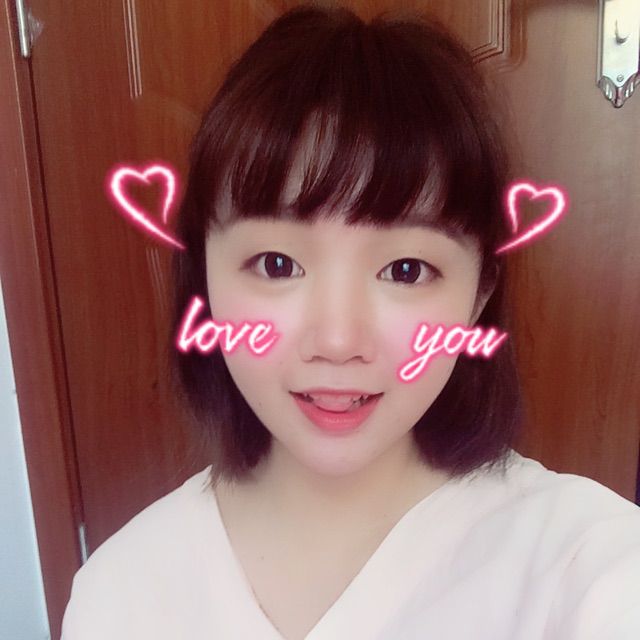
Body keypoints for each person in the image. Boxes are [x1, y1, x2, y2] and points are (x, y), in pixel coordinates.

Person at [61, 4, 640, 639]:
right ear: (205, 278)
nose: (337, 342)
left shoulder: (585, 565)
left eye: (406, 270)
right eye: (277, 264)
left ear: (479, 294)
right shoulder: (120, 593)